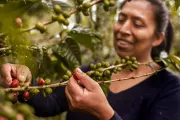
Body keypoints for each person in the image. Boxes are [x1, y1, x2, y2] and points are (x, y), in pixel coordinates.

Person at [1, 0, 180, 120]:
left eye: (138, 24)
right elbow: (49, 104)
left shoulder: (170, 88)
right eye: (121, 19)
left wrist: (104, 114)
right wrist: (24, 78)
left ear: (158, 38)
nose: (124, 29)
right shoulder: (92, 73)